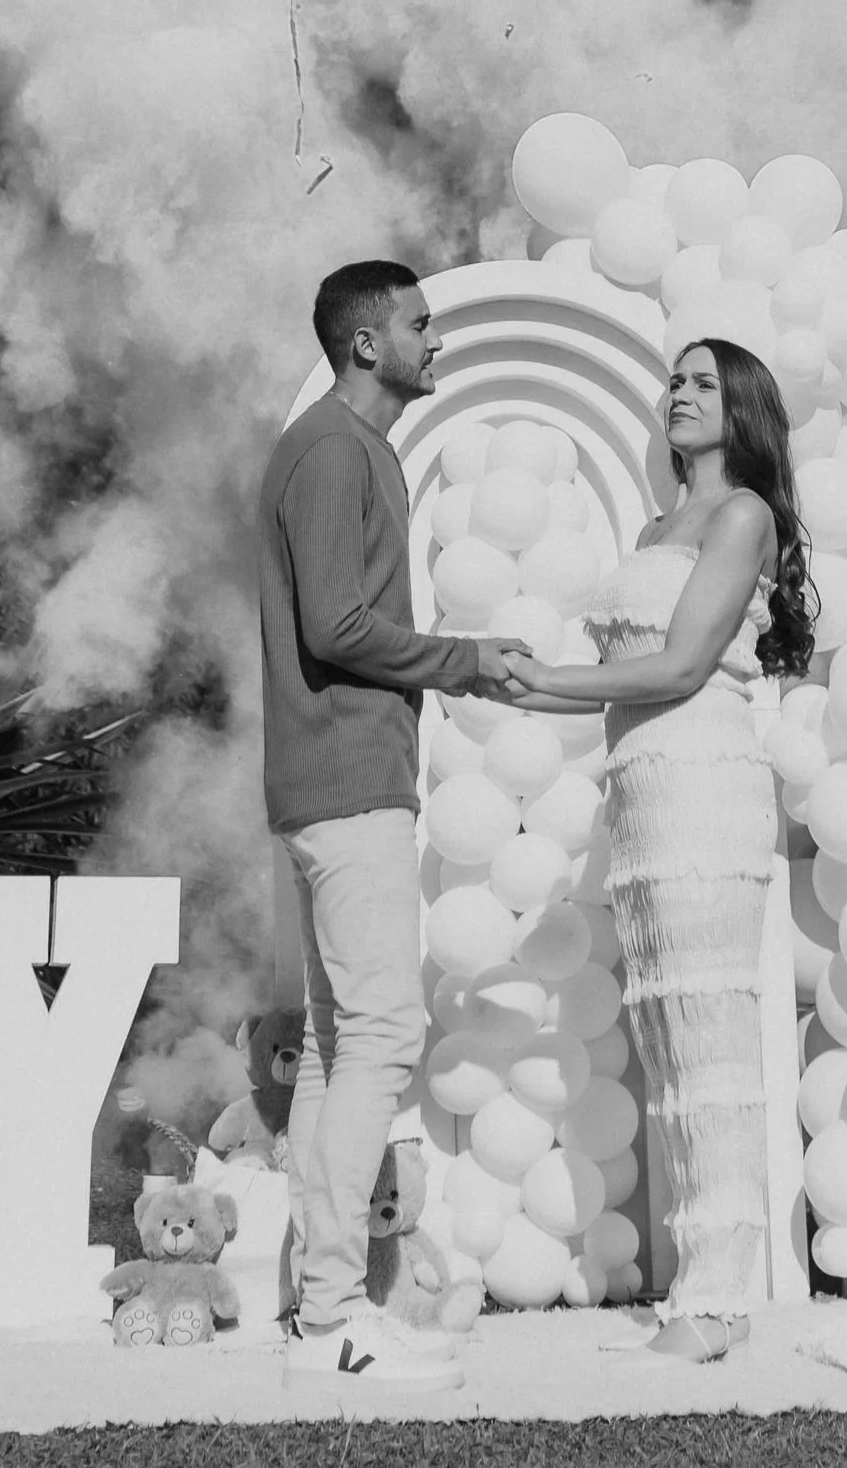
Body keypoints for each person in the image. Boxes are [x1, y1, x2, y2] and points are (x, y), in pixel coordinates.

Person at [501, 337, 817, 1364]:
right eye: (673, 380)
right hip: (640, 796)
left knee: (711, 1040)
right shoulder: (657, 522)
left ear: (744, 409)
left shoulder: (743, 515)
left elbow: (680, 665)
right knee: (669, 1047)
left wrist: (535, 683)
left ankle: (719, 1300)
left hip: (703, 787)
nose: (678, 395)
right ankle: (697, 1287)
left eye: (702, 384)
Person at [260, 259, 527, 1393]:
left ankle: (323, 1313)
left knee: (338, 1044)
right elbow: (336, 622)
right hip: (345, 781)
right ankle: (332, 1322)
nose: (437, 342)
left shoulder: (349, 450)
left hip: (337, 780)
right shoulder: (332, 449)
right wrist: (464, 660)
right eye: (421, 326)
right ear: (367, 344)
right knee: (379, 1036)